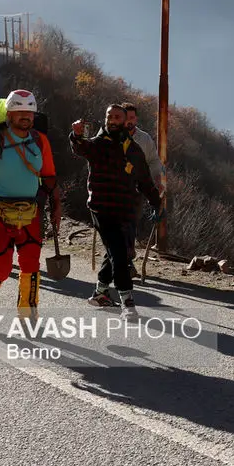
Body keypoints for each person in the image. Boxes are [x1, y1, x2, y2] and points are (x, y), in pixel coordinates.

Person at [0, 90, 61, 319]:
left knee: (31, 264)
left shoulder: (40, 140)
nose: (25, 116)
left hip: (31, 211)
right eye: (19, 112)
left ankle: (28, 312)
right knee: (1, 267)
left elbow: (49, 176)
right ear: (9, 114)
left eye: (29, 112)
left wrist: (57, 205)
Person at [70, 103, 164, 319]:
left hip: (125, 208)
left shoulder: (134, 149)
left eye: (117, 117)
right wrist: (76, 135)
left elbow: (144, 180)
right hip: (101, 208)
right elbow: (80, 147)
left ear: (124, 121)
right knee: (120, 254)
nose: (112, 120)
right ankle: (127, 303)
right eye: (109, 116)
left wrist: (156, 203)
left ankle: (100, 293)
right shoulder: (97, 144)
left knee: (118, 251)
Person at [121, 102, 165, 269]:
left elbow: (153, 161)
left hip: (137, 188)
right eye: (126, 118)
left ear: (136, 119)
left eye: (132, 117)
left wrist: (158, 180)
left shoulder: (144, 138)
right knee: (117, 224)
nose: (129, 121)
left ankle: (127, 261)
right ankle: (118, 260)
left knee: (131, 223)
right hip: (115, 187)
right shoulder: (112, 135)